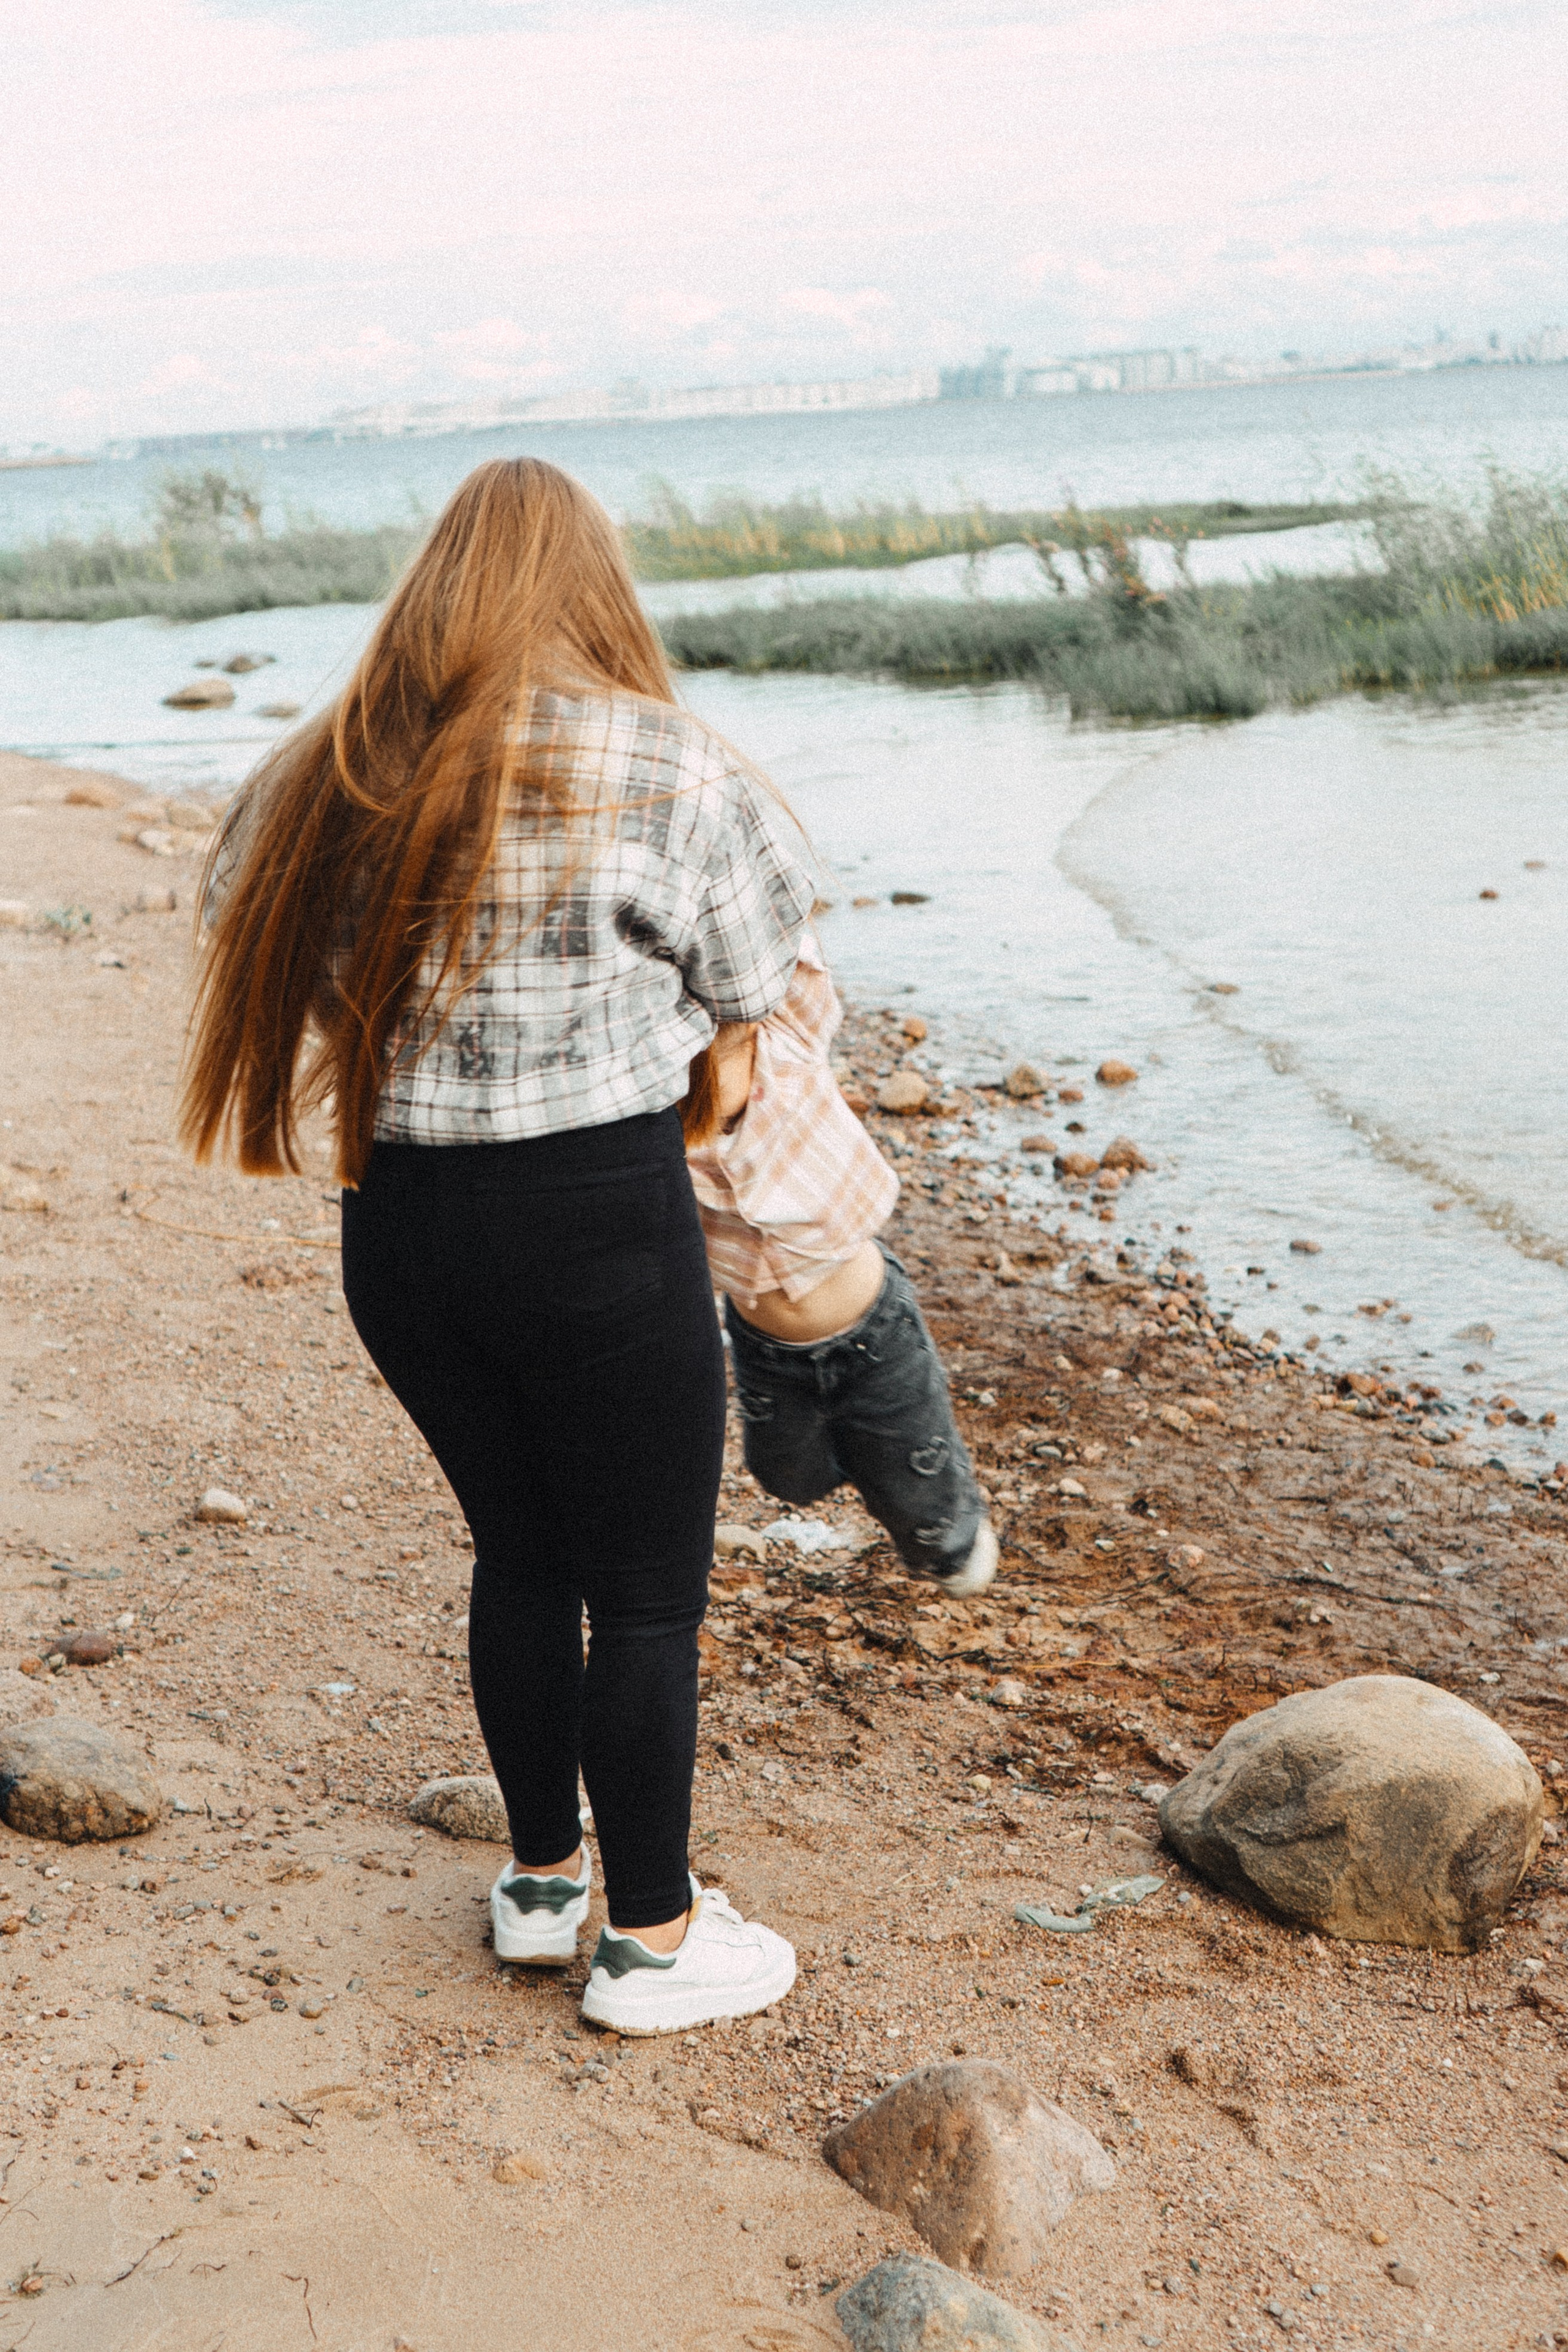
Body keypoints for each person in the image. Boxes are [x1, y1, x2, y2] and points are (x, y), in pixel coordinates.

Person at [179, 456, 812, 2035]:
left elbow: (233, 915)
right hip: (598, 1221)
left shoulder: (322, 773)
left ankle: (542, 1889)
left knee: (520, 1551)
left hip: (401, 1230)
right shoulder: (669, 767)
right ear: (589, 587)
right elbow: (756, 977)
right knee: (649, 1591)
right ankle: (653, 1940)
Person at [687, 935, 997, 1598]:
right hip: (765, 1345)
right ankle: (867, 1457)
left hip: (874, 1333)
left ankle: (941, 1516)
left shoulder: (788, 1047)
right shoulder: (668, 1131)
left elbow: (794, 956)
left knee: (941, 1536)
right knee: (786, 1481)